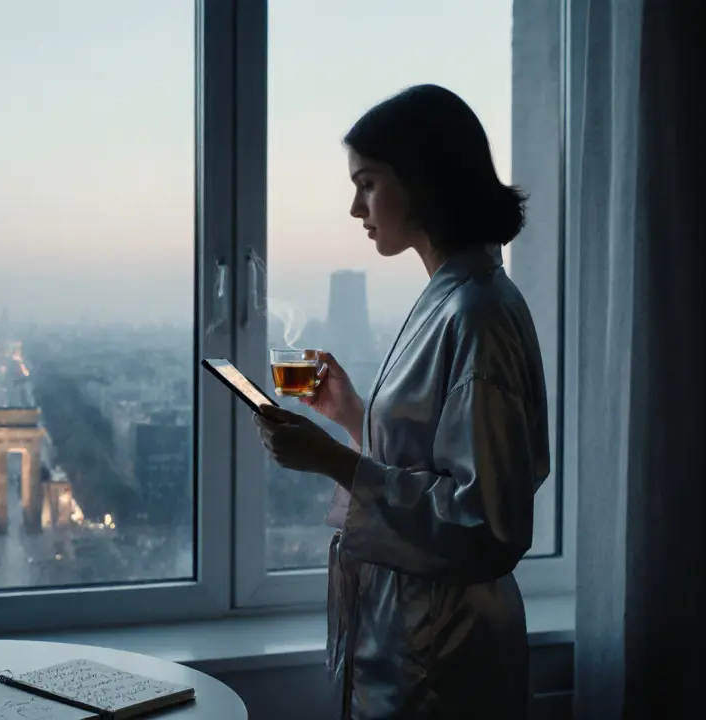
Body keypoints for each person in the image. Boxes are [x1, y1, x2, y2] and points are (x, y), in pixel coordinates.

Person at [253, 84, 550, 719]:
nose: (355, 206)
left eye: (367, 183)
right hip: (416, 632)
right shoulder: (453, 299)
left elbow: (489, 524)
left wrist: (337, 461)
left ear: (422, 178)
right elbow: (440, 456)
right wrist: (355, 415)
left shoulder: (477, 315)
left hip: (444, 650)